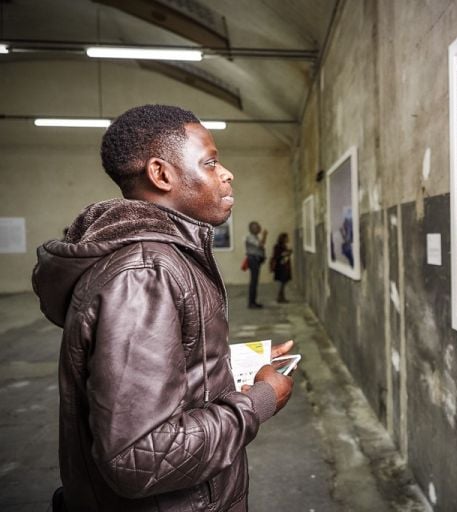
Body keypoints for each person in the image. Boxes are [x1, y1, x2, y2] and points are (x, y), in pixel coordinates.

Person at [32, 104, 295, 511]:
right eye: (210, 162)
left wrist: (229, 363)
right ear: (161, 174)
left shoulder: (161, 258)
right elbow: (140, 458)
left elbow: (160, 370)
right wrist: (259, 401)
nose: (226, 173)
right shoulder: (144, 273)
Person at [245, 221, 268, 308]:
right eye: (257, 227)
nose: (259, 228)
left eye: (259, 226)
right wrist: (265, 235)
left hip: (255, 261)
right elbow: (261, 245)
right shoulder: (250, 237)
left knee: (254, 282)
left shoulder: (255, 237)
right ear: (252, 229)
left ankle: (253, 302)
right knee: (253, 282)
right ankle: (251, 303)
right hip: (253, 260)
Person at [272, 232, 292, 303]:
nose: (288, 239)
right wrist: (284, 254)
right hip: (281, 267)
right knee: (282, 283)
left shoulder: (284, 246)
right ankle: (280, 297)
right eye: (286, 238)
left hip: (285, 266)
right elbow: (276, 256)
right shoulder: (278, 246)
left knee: (284, 283)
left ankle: (282, 297)